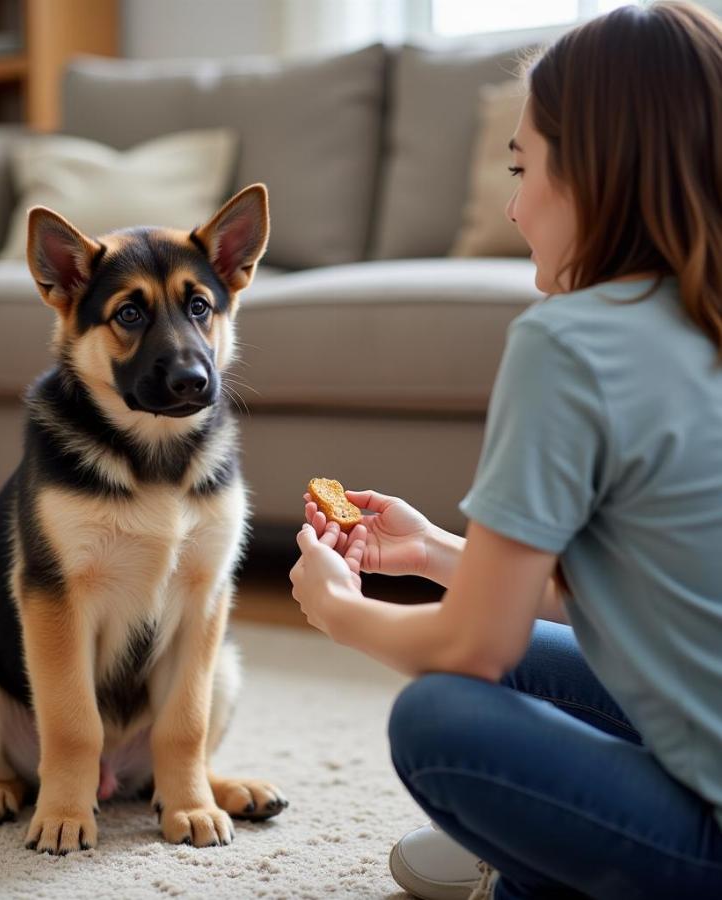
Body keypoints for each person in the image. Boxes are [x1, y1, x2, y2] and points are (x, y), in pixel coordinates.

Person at [288, 3, 722, 898]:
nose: (516, 207)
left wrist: (338, 609)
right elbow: (661, 606)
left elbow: (474, 647)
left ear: (598, 171)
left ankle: (533, 873)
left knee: (442, 717)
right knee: (546, 651)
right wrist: (442, 555)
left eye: (523, 169)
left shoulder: (567, 342)